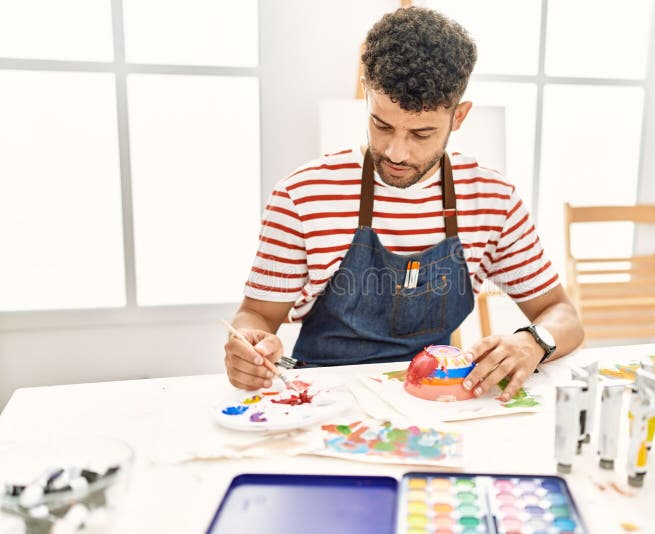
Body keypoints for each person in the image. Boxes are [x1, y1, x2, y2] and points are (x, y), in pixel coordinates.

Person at [224, 6, 584, 401]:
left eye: (421, 133)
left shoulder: (492, 199)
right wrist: (248, 346)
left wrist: (533, 342)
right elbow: (257, 315)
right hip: (325, 403)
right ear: (367, 93)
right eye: (382, 125)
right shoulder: (302, 195)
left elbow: (563, 315)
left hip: (436, 402)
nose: (396, 151)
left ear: (459, 116)